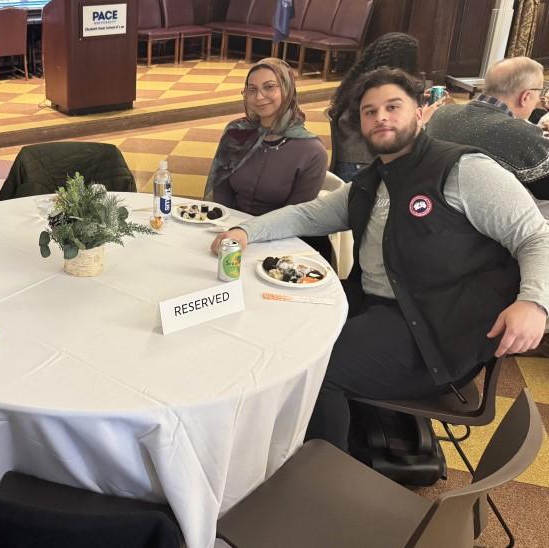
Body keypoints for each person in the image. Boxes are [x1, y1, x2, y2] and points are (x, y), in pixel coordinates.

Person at [211, 68, 549, 452]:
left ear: (421, 112)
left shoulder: (462, 170)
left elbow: (537, 235)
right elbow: (309, 215)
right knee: (276, 318)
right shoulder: (375, 178)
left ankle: (322, 474)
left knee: (312, 366)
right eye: (369, 112)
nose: (380, 118)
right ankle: (269, 441)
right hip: (374, 307)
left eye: (393, 107)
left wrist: (534, 302)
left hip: (431, 330)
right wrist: (246, 232)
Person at [204, 57, 329, 259]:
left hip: (280, 244)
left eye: (269, 87)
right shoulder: (237, 133)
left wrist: (249, 233)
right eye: (251, 90)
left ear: (287, 90)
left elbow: (294, 217)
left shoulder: (311, 151)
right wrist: (229, 229)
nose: (259, 97)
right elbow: (222, 189)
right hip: (231, 234)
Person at [426, 56, 549, 199]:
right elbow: (544, 191)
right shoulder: (521, 133)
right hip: (481, 216)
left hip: (429, 205)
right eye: (539, 95)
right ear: (526, 97)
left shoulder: (441, 114)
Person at [328, 32, 430, 182]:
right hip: (362, 166)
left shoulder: (361, 85)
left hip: (347, 162)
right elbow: (397, 139)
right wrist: (422, 119)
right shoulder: (377, 94)